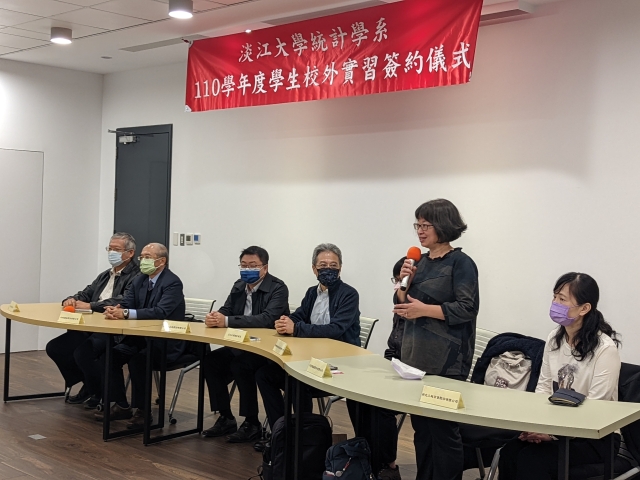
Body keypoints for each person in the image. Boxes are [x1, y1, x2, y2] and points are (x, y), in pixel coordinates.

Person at [498, 273, 621, 480]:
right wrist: (536, 427)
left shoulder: (605, 349)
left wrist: (552, 435)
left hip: (596, 437)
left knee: (532, 460)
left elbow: (596, 408)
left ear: (584, 308)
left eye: (562, 299)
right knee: (510, 452)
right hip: (557, 427)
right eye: (554, 297)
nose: (555, 303)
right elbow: (543, 388)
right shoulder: (554, 338)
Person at [393, 199, 479, 480]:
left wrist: (424, 310)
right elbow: (403, 302)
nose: (420, 231)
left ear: (444, 225)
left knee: (443, 431)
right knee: (422, 429)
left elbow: (467, 308)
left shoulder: (461, 263)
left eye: (426, 225)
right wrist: (404, 283)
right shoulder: (418, 261)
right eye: (417, 225)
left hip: (447, 361)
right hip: (415, 357)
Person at [255, 243, 360, 437]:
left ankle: (302, 437)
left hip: (337, 363)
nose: (328, 269)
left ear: (340, 268)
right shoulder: (312, 292)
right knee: (264, 374)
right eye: (323, 265)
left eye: (333, 265)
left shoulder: (349, 294)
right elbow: (300, 315)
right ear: (314, 269)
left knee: (297, 380)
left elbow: (335, 329)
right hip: (309, 358)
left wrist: (296, 328)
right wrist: (285, 321)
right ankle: (281, 432)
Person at [201, 246, 289, 443]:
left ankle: (252, 423)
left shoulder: (278, 288)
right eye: (244, 265)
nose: (247, 269)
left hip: (267, 349)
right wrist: (216, 316)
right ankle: (225, 417)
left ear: (264, 268)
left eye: (253, 265)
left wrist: (226, 321)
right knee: (211, 361)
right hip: (241, 344)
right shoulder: (239, 285)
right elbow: (227, 309)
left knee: (241, 365)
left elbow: (267, 319)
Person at [95, 243, 186, 428]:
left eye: (147, 257)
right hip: (140, 338)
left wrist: (126, 313)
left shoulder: (173, 283)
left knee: (138, 361)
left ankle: (144, 412)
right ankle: (121, 405)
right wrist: (116, 310)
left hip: (164, 342)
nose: (143, 261)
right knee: (109, 356)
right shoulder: (140, 279)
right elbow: (127, 303)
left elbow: (161, 312)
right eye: (142, 257)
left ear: (161, 261)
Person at [45, 232, 139, 405]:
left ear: (130, 253)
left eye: (117, 249)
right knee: (55, 347)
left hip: (114, 330)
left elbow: (124, 301)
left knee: (84, 353)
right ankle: (91, 385)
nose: (112, 253)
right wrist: (71, 299)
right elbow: (86, 293)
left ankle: (98, 393)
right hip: (92, 326)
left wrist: (91, 306)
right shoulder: (105, 275)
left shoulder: (137, 276)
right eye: (109, 248)